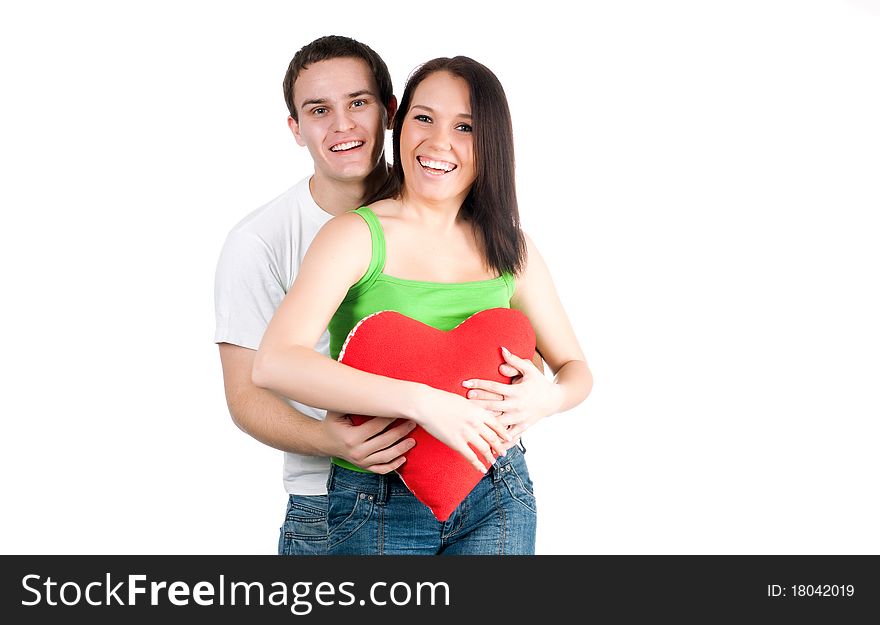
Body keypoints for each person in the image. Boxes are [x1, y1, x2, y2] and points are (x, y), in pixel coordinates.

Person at [253, 56, 593, 555]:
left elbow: (575, 368)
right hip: (379, 494)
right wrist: (422, 402)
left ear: (491, 142)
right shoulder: (355, 235)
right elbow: (275, 362)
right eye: (424, 118)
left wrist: (549, 399)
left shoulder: (510, 247)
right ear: (399, 123)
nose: (438, 142)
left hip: (497, 490)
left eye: (465, 126)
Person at [214, 35, 414, 555]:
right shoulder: (258, 241)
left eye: (358, 103)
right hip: (328, 501)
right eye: (319, 110)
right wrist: (329, 441)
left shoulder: (445, 213)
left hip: (462, 493)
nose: (342, 125)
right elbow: (245, 395)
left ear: (389, 111)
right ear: (295, 129)